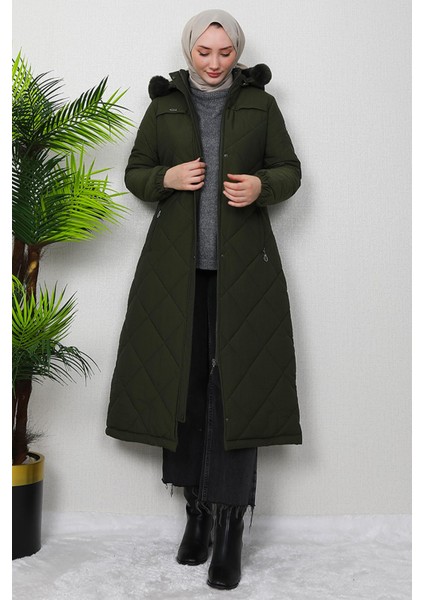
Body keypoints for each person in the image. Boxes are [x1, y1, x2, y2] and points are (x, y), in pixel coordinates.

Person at [106, 9, 302, 590]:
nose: (214, 63)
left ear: (237, 52)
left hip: (245, 275)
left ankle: (231, 524)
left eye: (225, 52)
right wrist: (164, 179)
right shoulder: (164, 105)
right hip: (176, 273)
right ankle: (196, 512)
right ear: (189, 49)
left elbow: (290, 170)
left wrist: (262, 186)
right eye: (204, 51)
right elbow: (135, 172)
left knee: (238, 393)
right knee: (183, 387)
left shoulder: (261, 105)